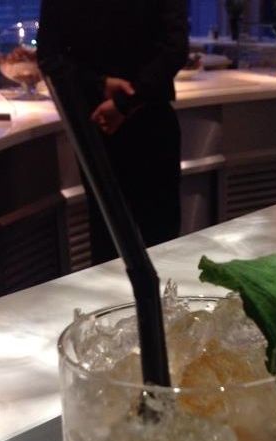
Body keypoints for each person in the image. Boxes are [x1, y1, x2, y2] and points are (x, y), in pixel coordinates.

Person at [37, 0, 190, 265]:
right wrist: (127, 100)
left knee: (107, 241)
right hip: (150, 119)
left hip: (97, 127)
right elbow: (175, 50)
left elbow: (50, 58)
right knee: (162, 240)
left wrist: (100, 84)